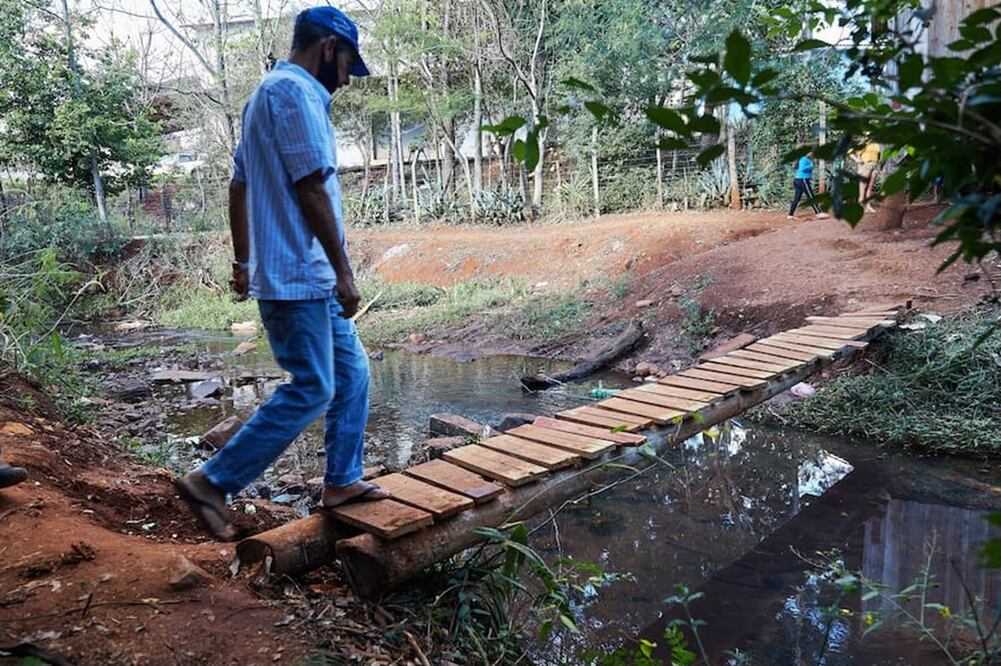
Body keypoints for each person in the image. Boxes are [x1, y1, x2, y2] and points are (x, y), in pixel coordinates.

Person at [174, 6, 388, 540]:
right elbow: (311, 185)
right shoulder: (292, 94)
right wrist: (345, 273)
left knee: (353, 372)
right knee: (314, 386)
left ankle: (341, 480)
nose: (345, 81)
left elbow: (238, 184)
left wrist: (242, 261)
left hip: (297, 275)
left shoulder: (263, 97)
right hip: (301, 277)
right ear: (330, 48)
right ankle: (213, 480)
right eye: (347, 67)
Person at [787, 151, 829, 220]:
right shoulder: (804, 159)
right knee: (811, 196)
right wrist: (811, 166)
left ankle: (790, 215)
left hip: (798, 180)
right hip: (803, 180)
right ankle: (818, 213)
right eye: (810, 152)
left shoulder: (802, 159)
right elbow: (802, 169)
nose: (811, 153)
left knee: (796, 198)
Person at [856, 141, 881, 212]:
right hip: (867, 164)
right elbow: (851, 151)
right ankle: (860, 205)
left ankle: (868, 205)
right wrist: (857, 160)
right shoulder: (865, 142)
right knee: (863, 185)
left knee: (870, 186)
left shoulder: (877, 144)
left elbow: (879, 155)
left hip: (875, 165)